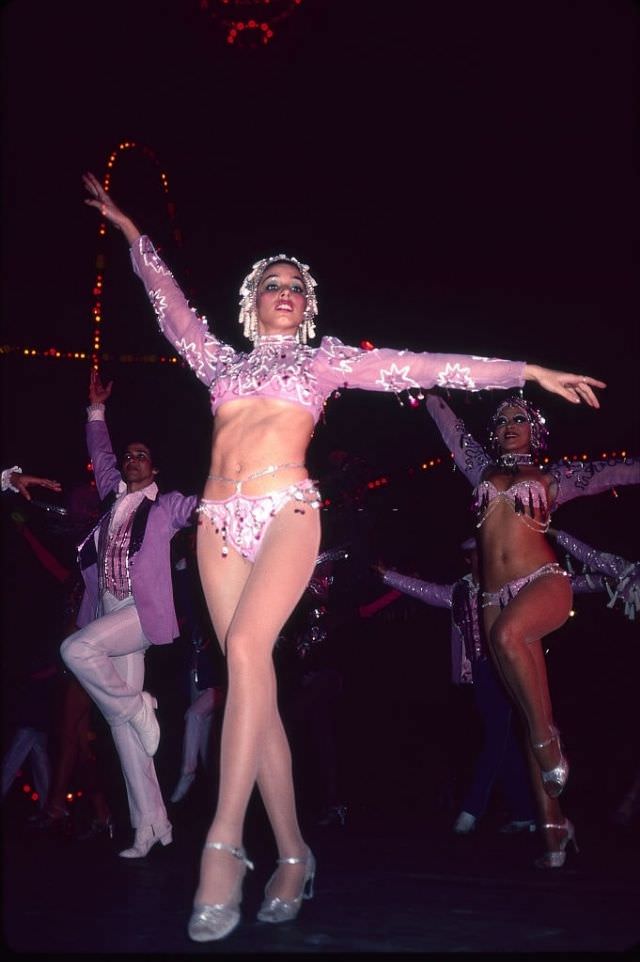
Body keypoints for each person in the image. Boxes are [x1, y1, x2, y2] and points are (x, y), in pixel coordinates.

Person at [83, 169, 606, 940]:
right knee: (247, 683)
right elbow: (170, 308)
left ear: (308, 303)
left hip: (289, 510)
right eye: (273, 284)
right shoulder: (220, 364)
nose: (286, 291)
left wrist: (526, 371)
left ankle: (222, 848)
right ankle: (293, 854)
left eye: (297, 285)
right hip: (219, 523)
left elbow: (428, 365)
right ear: (252, 300)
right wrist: (132, 233)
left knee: (251, 649)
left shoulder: (325, 361)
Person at [424, 391, 639, 866]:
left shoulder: (554, 476)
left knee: (508, 642)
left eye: (518, 418)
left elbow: (618, 471)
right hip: (490, 598)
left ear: (535, 429)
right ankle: (554, 831)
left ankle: (551, 751)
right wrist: (425, 387)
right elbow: (447, 421)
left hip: (543, 583)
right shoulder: (479, 468)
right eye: (500, 420)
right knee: (527, 710)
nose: (507, 425)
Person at [60, 371, 197, 857]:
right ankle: (151, 826)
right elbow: (100, 452)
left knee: (75, 649)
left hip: (143, 614)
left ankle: (139, 706)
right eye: (128, 455)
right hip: (109, 608)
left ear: (154, 469)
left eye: (141, 455)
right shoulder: (111, 497)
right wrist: (96, 410)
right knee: (123, 732)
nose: (132, 459)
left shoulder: (164, 507)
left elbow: (199, 507)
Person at [370, 538, 538, 838]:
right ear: (468, 560)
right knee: (504, 743)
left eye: (483, 556)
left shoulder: (508, 589)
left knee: (498, 739)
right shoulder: (459, 592)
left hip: (506, 672)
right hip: (480, 673)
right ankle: (525, 812)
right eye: (473, 557)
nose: (479, 561)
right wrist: (389, 576)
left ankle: (471, 810)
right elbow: (427, 592)